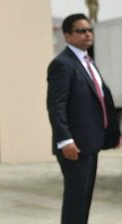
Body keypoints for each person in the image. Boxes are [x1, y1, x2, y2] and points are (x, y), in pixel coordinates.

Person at [46, 13, 119, 224]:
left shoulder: (88, 62)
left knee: (84, 199)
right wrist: (65, 140)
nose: (87, 34)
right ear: (67, 36)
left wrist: (113, 134)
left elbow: (100, 100)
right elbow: (55, 105)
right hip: (74, 146)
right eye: (81, 31)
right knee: (76, 200)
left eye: (89, 30)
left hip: (90, 143)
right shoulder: (62, 65)